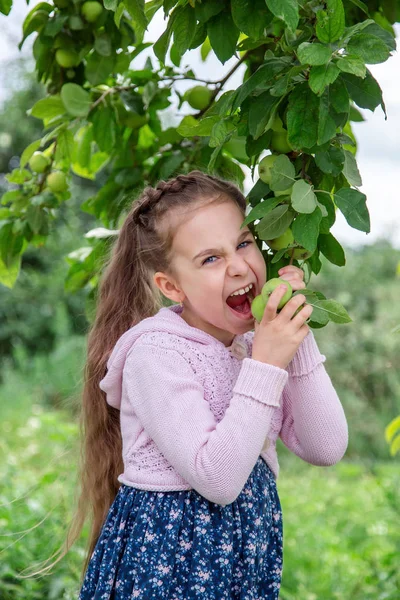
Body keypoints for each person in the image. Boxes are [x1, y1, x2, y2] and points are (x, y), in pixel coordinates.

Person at [72, 170, 348, 598]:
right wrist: (269, 360)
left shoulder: (254, 350)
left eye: (243, 244)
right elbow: (217, 479)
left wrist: (298, 337)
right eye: (211, 259)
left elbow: (326, 446)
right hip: (169, 567)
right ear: (171, 286)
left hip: (242, 565)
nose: (239, 266)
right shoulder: (155, 354)